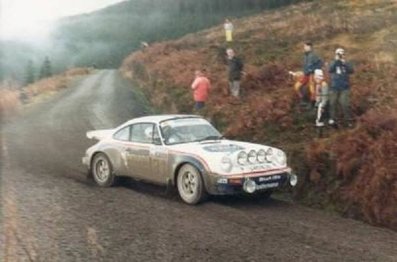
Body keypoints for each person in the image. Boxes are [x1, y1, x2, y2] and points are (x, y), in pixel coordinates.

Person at [328, 48, 354, 127]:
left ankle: (348, 120)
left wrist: (344, 63)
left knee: (344, 104)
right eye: (339, 54)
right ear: (336, 54)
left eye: (342, 54)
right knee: (332, 103)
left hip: (344, 87)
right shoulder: (333, 62)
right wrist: (336, 61)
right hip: (334, 86)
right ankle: (332, 119)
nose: (341, 55)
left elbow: (351, 71)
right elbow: (330, 69)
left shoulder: (346, 63)